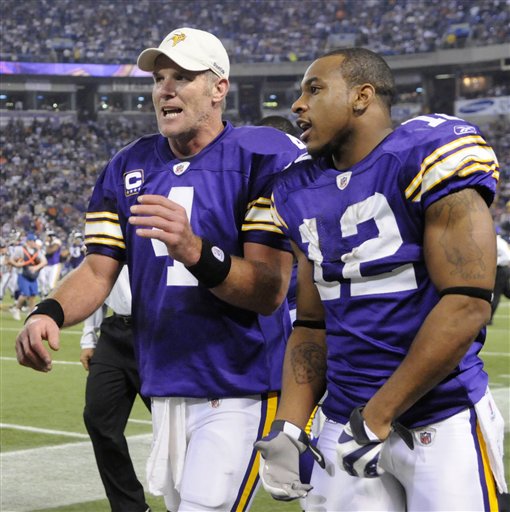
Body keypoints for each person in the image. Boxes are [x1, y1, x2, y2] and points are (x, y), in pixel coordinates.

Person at [15, 27, 305, 512]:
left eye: (183, 77)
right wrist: (49, 310)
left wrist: (194, 249)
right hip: (166, 383)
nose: (165, 89)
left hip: (240, 384)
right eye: (158, 79)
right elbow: (98, 271)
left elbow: (268, 290)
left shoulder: (262, 155)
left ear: (218, 88)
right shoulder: (128, 165)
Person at [255, 48, 507, 511]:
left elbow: (467, 302)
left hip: (440, 417)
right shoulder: (297, 189)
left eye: (314, 89)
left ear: (362, 96)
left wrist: (378, 416)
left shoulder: (427, 152)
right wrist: (289, 426)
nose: (297, 105)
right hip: (345, 419)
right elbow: (311, 324)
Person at [80, 265, 151, 512]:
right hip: (115, 331)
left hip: (158, 332)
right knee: (99, 418)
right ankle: (130, 508)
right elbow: (97, 277)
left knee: (175, 428)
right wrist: (89, 337)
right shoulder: (106, 236)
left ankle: (188, 503)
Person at [9, 233, 47, 321]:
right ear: (29, 241)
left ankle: (30, 313)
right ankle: (16, 309)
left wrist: (36, 267)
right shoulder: (20, 249)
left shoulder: (36, 251)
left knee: (33, 295)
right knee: (25, 294)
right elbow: (11, 260)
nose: (34, 243)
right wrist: (17, 265)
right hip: (23, 274)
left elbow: (44, 261)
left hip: (33, 275)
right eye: (33, 241)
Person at [491, 232, 510, 321]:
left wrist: (494, 262)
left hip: (501, 269)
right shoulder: (499, 241)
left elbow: (507, 257)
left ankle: (489, 319)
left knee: (496, 293)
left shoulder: (498, 242)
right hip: (501, 269)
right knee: (507, 291)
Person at [38, 229, 63, 297]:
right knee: (42, 281)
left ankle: (56, 298)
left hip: (54, 265)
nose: (45, 238)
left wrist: (46, 244)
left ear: (51, 236)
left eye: (47, 236)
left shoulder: (56, 242)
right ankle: (45, 297)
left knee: (51, 285)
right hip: (46, 265)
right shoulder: (46, 243)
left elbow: (50, 251)